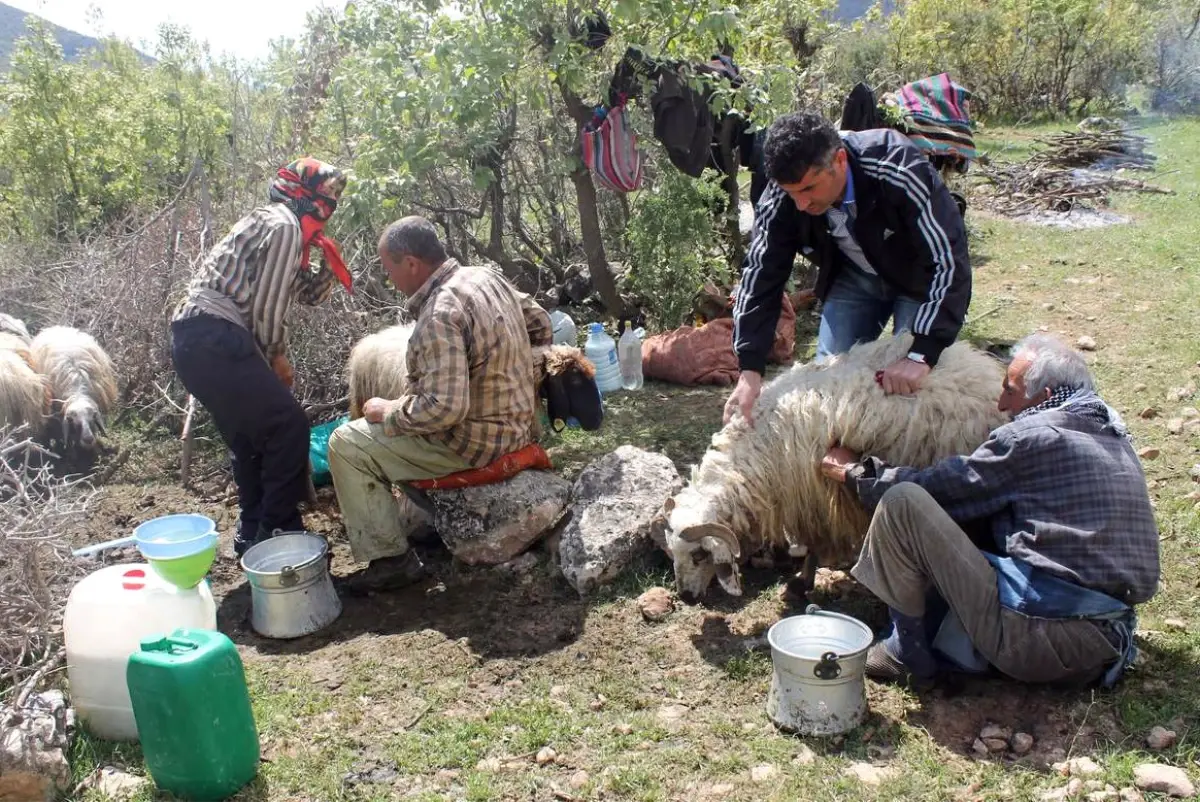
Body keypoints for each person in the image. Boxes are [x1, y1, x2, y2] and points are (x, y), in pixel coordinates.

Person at [820, 334, 1159, 687]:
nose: (1000, 403)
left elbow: (939, 490)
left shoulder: (1031, 437)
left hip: (1043, 642)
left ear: (1044, 397)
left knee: (902, 502)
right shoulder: (1114, 437)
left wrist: (855, 473)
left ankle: (905, 654)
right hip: (1106, 646)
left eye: (1010, 391)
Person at [326, 216, 553, 592]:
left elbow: (445, 410)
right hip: (519, 427)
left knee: (346, 444)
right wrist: (508, 379)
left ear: (411, 263)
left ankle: (391, 561)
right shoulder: (486, 277)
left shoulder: (439, 314)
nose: (389, 279)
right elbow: (540, 323)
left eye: (389, 269)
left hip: (475, 446)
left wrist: (388, 411)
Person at [725, 112, 971, 425]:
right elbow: (761, 274)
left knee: (915, 389)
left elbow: (948, 257)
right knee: (827, 388)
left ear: (839, 160)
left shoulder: (897, 166)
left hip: (919, 279)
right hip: (854, 276)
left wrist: (923, 352)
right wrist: (749, 369)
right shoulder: (781, 194)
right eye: (792, 193)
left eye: (809, 188)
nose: (801, 204)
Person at [171, 158, 350, 557]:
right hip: (214, 333)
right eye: (326, 196)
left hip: (192, 340)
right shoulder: (284, 225)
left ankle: (253, 531)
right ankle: (277, 532)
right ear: (301, 192)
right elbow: (267, 306)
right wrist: (277, 355)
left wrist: (328, 267)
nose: (329, 206)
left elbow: (306, 294)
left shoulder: (277, 227)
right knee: (288, 426)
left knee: (249, 438)